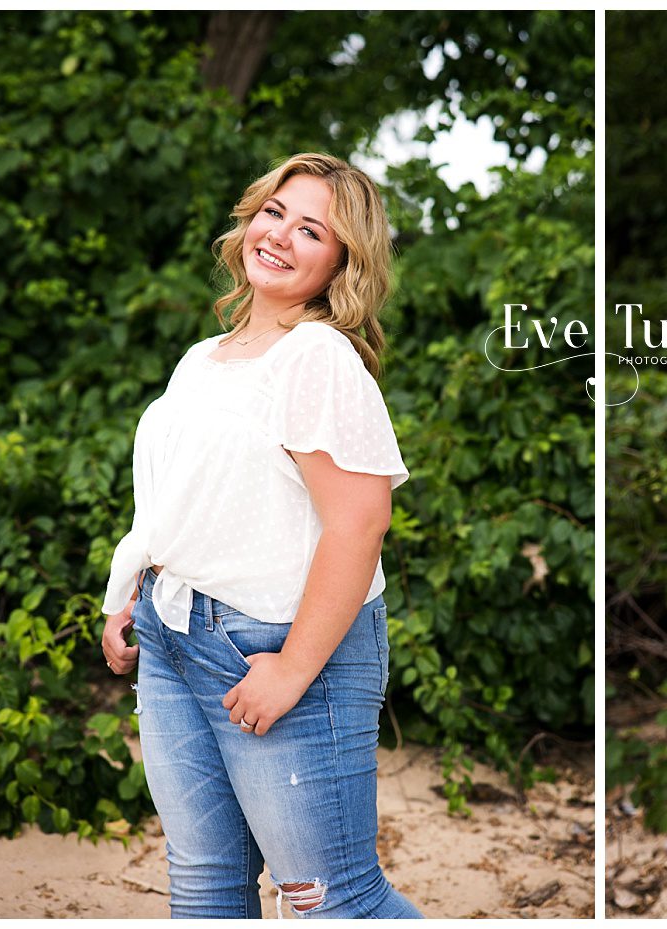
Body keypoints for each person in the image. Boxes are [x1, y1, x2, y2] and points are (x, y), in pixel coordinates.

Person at [98, 152, 422, 919]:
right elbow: (180, 496)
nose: (280, 234)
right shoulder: (203, 358)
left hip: (275, 651)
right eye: (275, 211)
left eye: (312, 229)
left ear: (342, 262)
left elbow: (360, 521)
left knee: (335, 902)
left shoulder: (316, 356)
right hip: (175, 636)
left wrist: (293, 669)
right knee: (206, 886)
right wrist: (127, 593)